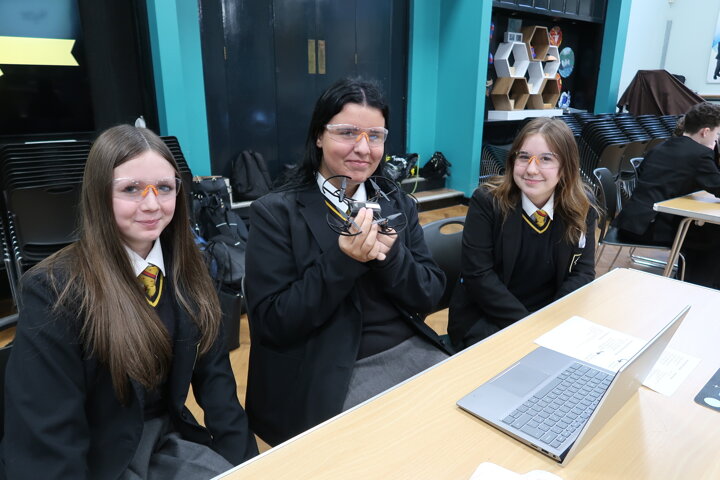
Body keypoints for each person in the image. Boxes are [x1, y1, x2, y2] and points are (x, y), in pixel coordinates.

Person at [2, 125, 258, 479]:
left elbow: (219, 389)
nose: (151, 204)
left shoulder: (189, 268)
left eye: (164, 188)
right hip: (96, 458)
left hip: (161, 443)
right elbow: (49, 438)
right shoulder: (53, 290)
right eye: (131, 189)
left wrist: (250, 467)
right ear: (98, 195)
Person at [244, 77, 451, 446]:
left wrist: (391, 257)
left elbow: (429, 294)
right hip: (327, 369)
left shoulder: (397, 202)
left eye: (375, 136)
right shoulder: (275, 212)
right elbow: (274, 322)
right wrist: (343, 260)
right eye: (347, 133)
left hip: (409, 348)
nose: (363, 148)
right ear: (318, 136)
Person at [448, 117, 597, 351]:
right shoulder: (487, 201)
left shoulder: (581, 206)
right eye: (524, 157)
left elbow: (583, 272)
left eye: (546, 159)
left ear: (566, 167)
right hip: (488, 317)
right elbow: (479, 276)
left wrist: (551, 320)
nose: (531, 169)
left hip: (549, 317)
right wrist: (529, 327)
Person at [614, 102, 720, 288]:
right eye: (717, 134)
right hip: (650, 228)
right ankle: (698, 288)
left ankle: (691, 280)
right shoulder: (700, 155)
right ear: (705, 132)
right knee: (713, 234)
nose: (717, 140)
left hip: (631, 222)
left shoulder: (661, 146)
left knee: (706, 230)